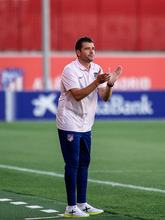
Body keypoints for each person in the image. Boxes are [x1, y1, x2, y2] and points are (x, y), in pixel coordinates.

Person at [56, 36, 122, 218]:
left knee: (84, 163)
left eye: (93, 48)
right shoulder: (70, 70)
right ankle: (70, 207)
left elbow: (104, 97)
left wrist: (109, 83)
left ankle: (82, 204)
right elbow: (77, 95)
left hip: (86, 123)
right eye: (87, 49)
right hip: (69, 121)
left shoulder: (97, 69)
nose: (92, 51)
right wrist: (96, 82)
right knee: (72, 163)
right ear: (78, 52)